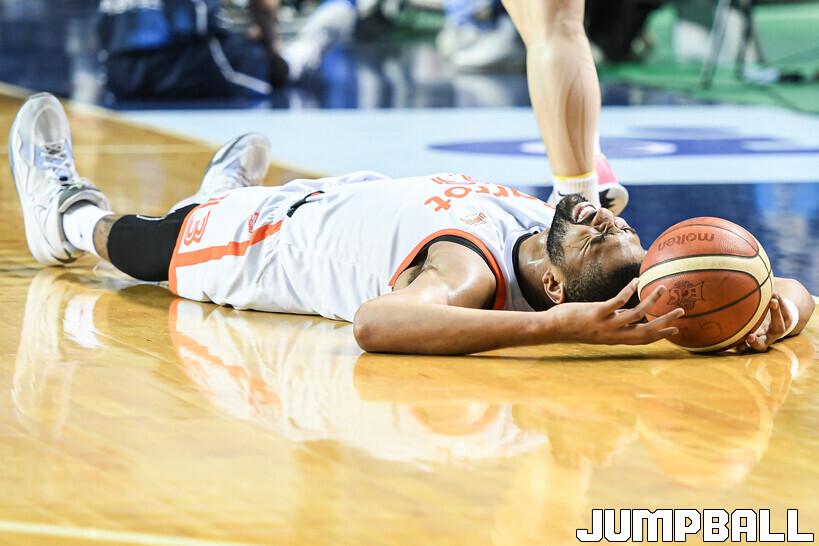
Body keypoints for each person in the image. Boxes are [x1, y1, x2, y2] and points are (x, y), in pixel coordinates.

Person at [8, 93, 813, 355]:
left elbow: (376, 323)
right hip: (335, 197)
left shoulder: (471, 271)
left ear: (553, 283)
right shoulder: (558, 239)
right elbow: (781, 290)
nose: (600, 216)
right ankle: (216, 192)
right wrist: (778, 307)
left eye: (596, 237)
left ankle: (68, 216)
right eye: (615, 227)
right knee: (224, 203)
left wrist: (559, 328)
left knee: (155, 243)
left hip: (262, 244)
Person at [97, 0, 288, 99]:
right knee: (269, 72)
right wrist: (271, 47)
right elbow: (264, 6)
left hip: (118, 75)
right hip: (180, 62)